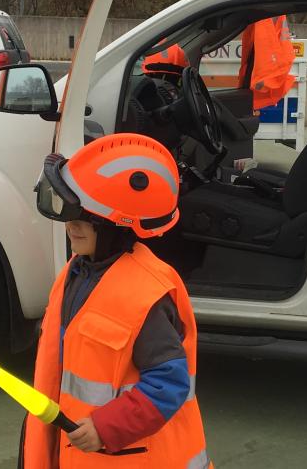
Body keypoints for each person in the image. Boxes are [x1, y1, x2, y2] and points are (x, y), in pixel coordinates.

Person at [22, 133, 212, 468]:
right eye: (69, 215)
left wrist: (104, 428)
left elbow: (169, 383)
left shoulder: (145, 292)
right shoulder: (76, 273)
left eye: (86, 220)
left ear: (117, 226)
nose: (71, 226)